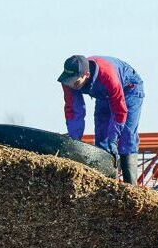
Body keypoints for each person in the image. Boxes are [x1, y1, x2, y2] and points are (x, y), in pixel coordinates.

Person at [58, 55, 144, 183]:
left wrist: (113, 140)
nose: (72, 85)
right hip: (103, 94)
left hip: (129, 89)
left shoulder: (108, 76)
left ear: (86, 74)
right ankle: (107, 184)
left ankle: (131, 186)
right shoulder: (69, 81)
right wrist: (74, 140)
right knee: (101, 134)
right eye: (70, 81)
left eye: (76, 82)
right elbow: (74, 110)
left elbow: (119, 110)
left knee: (126, 135)